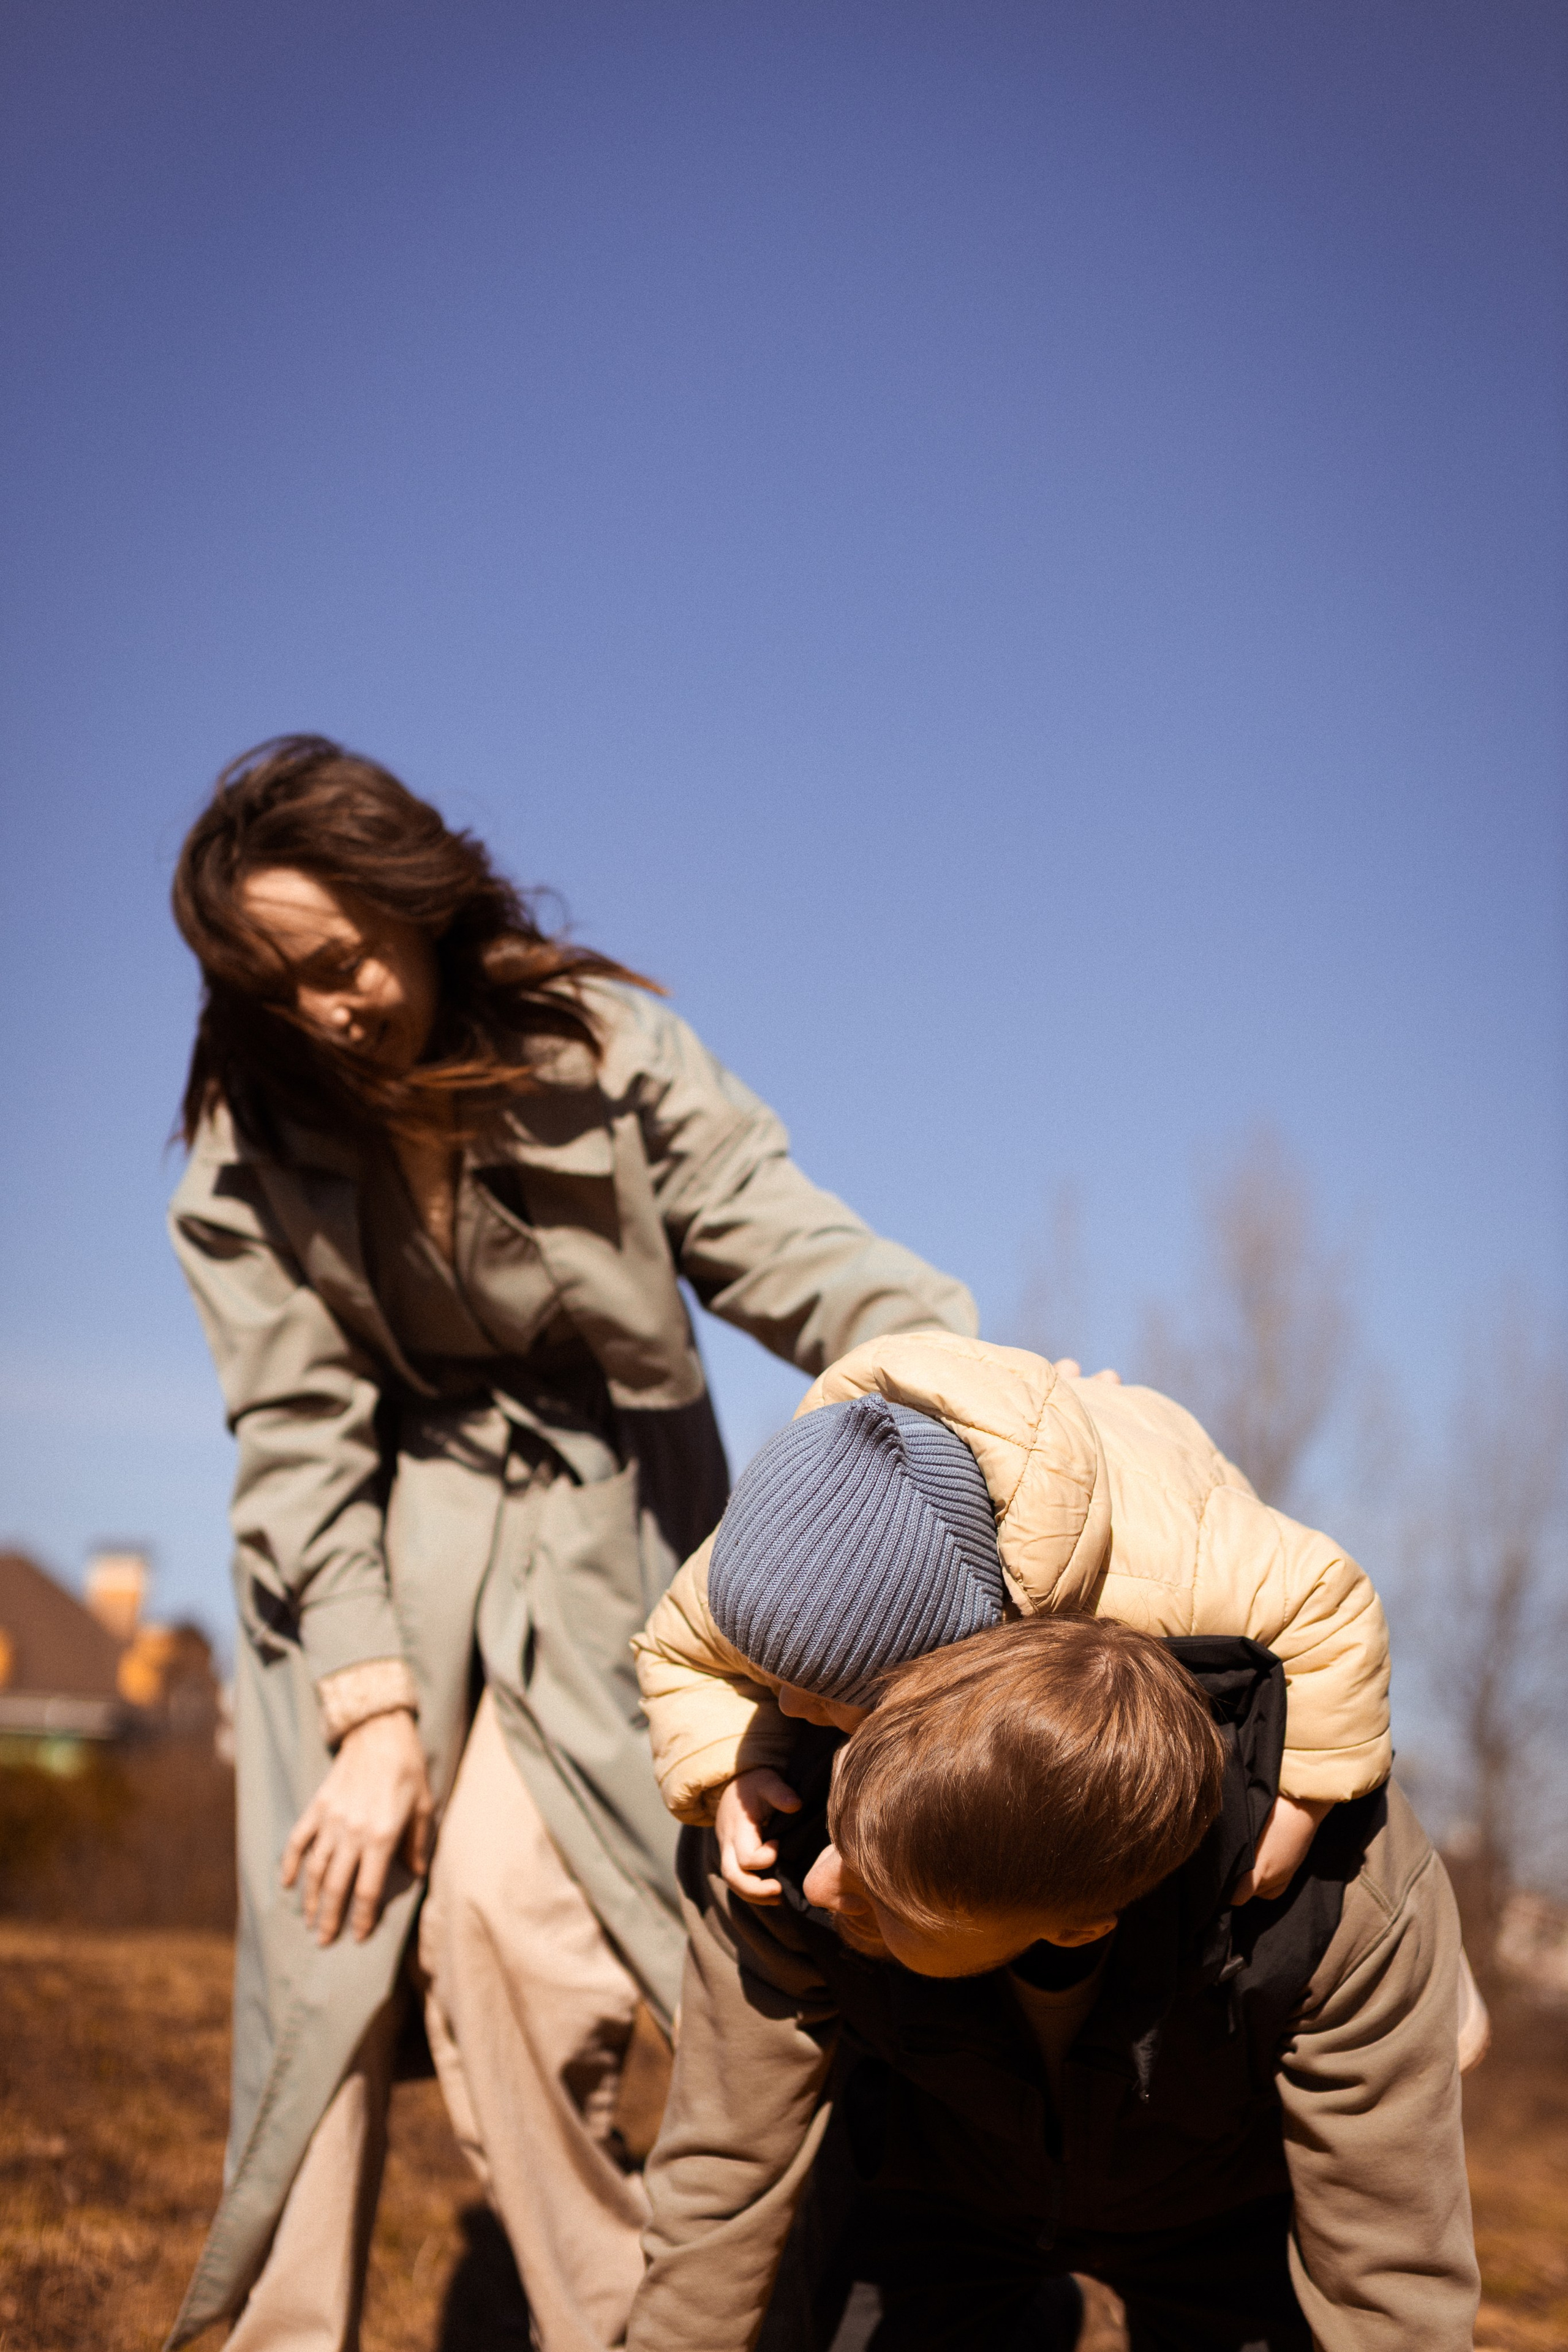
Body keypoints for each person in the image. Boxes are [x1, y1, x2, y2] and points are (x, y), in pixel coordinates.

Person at [162, 736, 976, 2352]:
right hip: (362, 1565)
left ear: (411, 897)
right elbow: (297, 1434)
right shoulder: (247, 1146)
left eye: (339, 961)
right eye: (282, 989)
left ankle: (652, 2326)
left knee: (513, 1931)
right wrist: (374, 1713)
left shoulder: (599, 1048)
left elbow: (792, 1247)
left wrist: (958, 1382)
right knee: (329, 1948)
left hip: (605, 1538)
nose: (327, 1011)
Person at [627, 1406, 1482, 2350]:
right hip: (936, 2195)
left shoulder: (1334, 1893)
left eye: (884, 1896)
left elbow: (1392, 2272)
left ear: (1082, 1922)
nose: (825, 1885)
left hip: (1225, 2210)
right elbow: (721, 2174)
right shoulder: (779, 1813)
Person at [631, 1330, 1398, 1904]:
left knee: (1350, 1785)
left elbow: (1330, 1602)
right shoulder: (778, 1550)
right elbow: (674, 1649)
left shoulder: (1164, 1567)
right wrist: (736, 1765)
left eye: (828, 1694)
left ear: (962, 1649)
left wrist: (1300, 1803)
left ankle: (1428, 1962)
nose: (789, 1706)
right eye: (771, 1678)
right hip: (1021, 1460)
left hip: (1156, 1468)